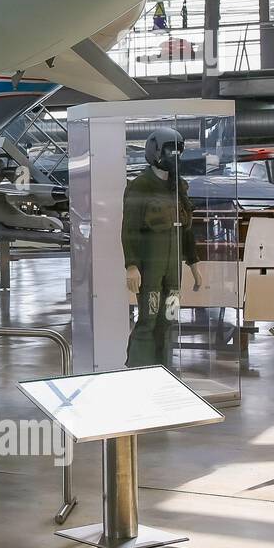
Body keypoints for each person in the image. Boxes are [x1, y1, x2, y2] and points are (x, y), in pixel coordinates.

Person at [123, 128, 202, 370]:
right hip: (151, 264)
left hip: (173, 265)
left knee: (169, 318)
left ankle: (165, 368)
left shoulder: (179, 187)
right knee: (148, 318)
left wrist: (194, 265)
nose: (175, 156)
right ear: (155, 151)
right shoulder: (140, 186)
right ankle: (138, 369)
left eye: (178, 151)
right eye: (170, 150)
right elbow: (129, 228)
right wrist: (132, 265)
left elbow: (186, 228)